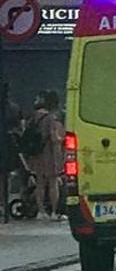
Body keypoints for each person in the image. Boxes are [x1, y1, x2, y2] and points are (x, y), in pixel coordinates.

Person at [24, 91, 64, 221]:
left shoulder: (32, 117)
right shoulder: (50, 118)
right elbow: (53, 138)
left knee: (40, 183)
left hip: (36, 155)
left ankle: (40, 211)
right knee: (53, 184)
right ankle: (54, 211)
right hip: (49, 154)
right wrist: (61, 139)